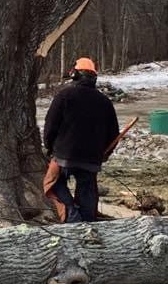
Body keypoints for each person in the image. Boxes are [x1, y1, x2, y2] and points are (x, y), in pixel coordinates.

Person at [42, 57, 119, 224]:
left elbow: (50, 125)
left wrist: (49, 147)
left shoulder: (64, 96)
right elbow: (114, 133)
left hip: (64, 155)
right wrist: (104, 153)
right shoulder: (105, 102)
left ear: (75, 75)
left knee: (52, 183)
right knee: (88, 191)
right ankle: (88, 223)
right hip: (91, 159)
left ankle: (71, 214)